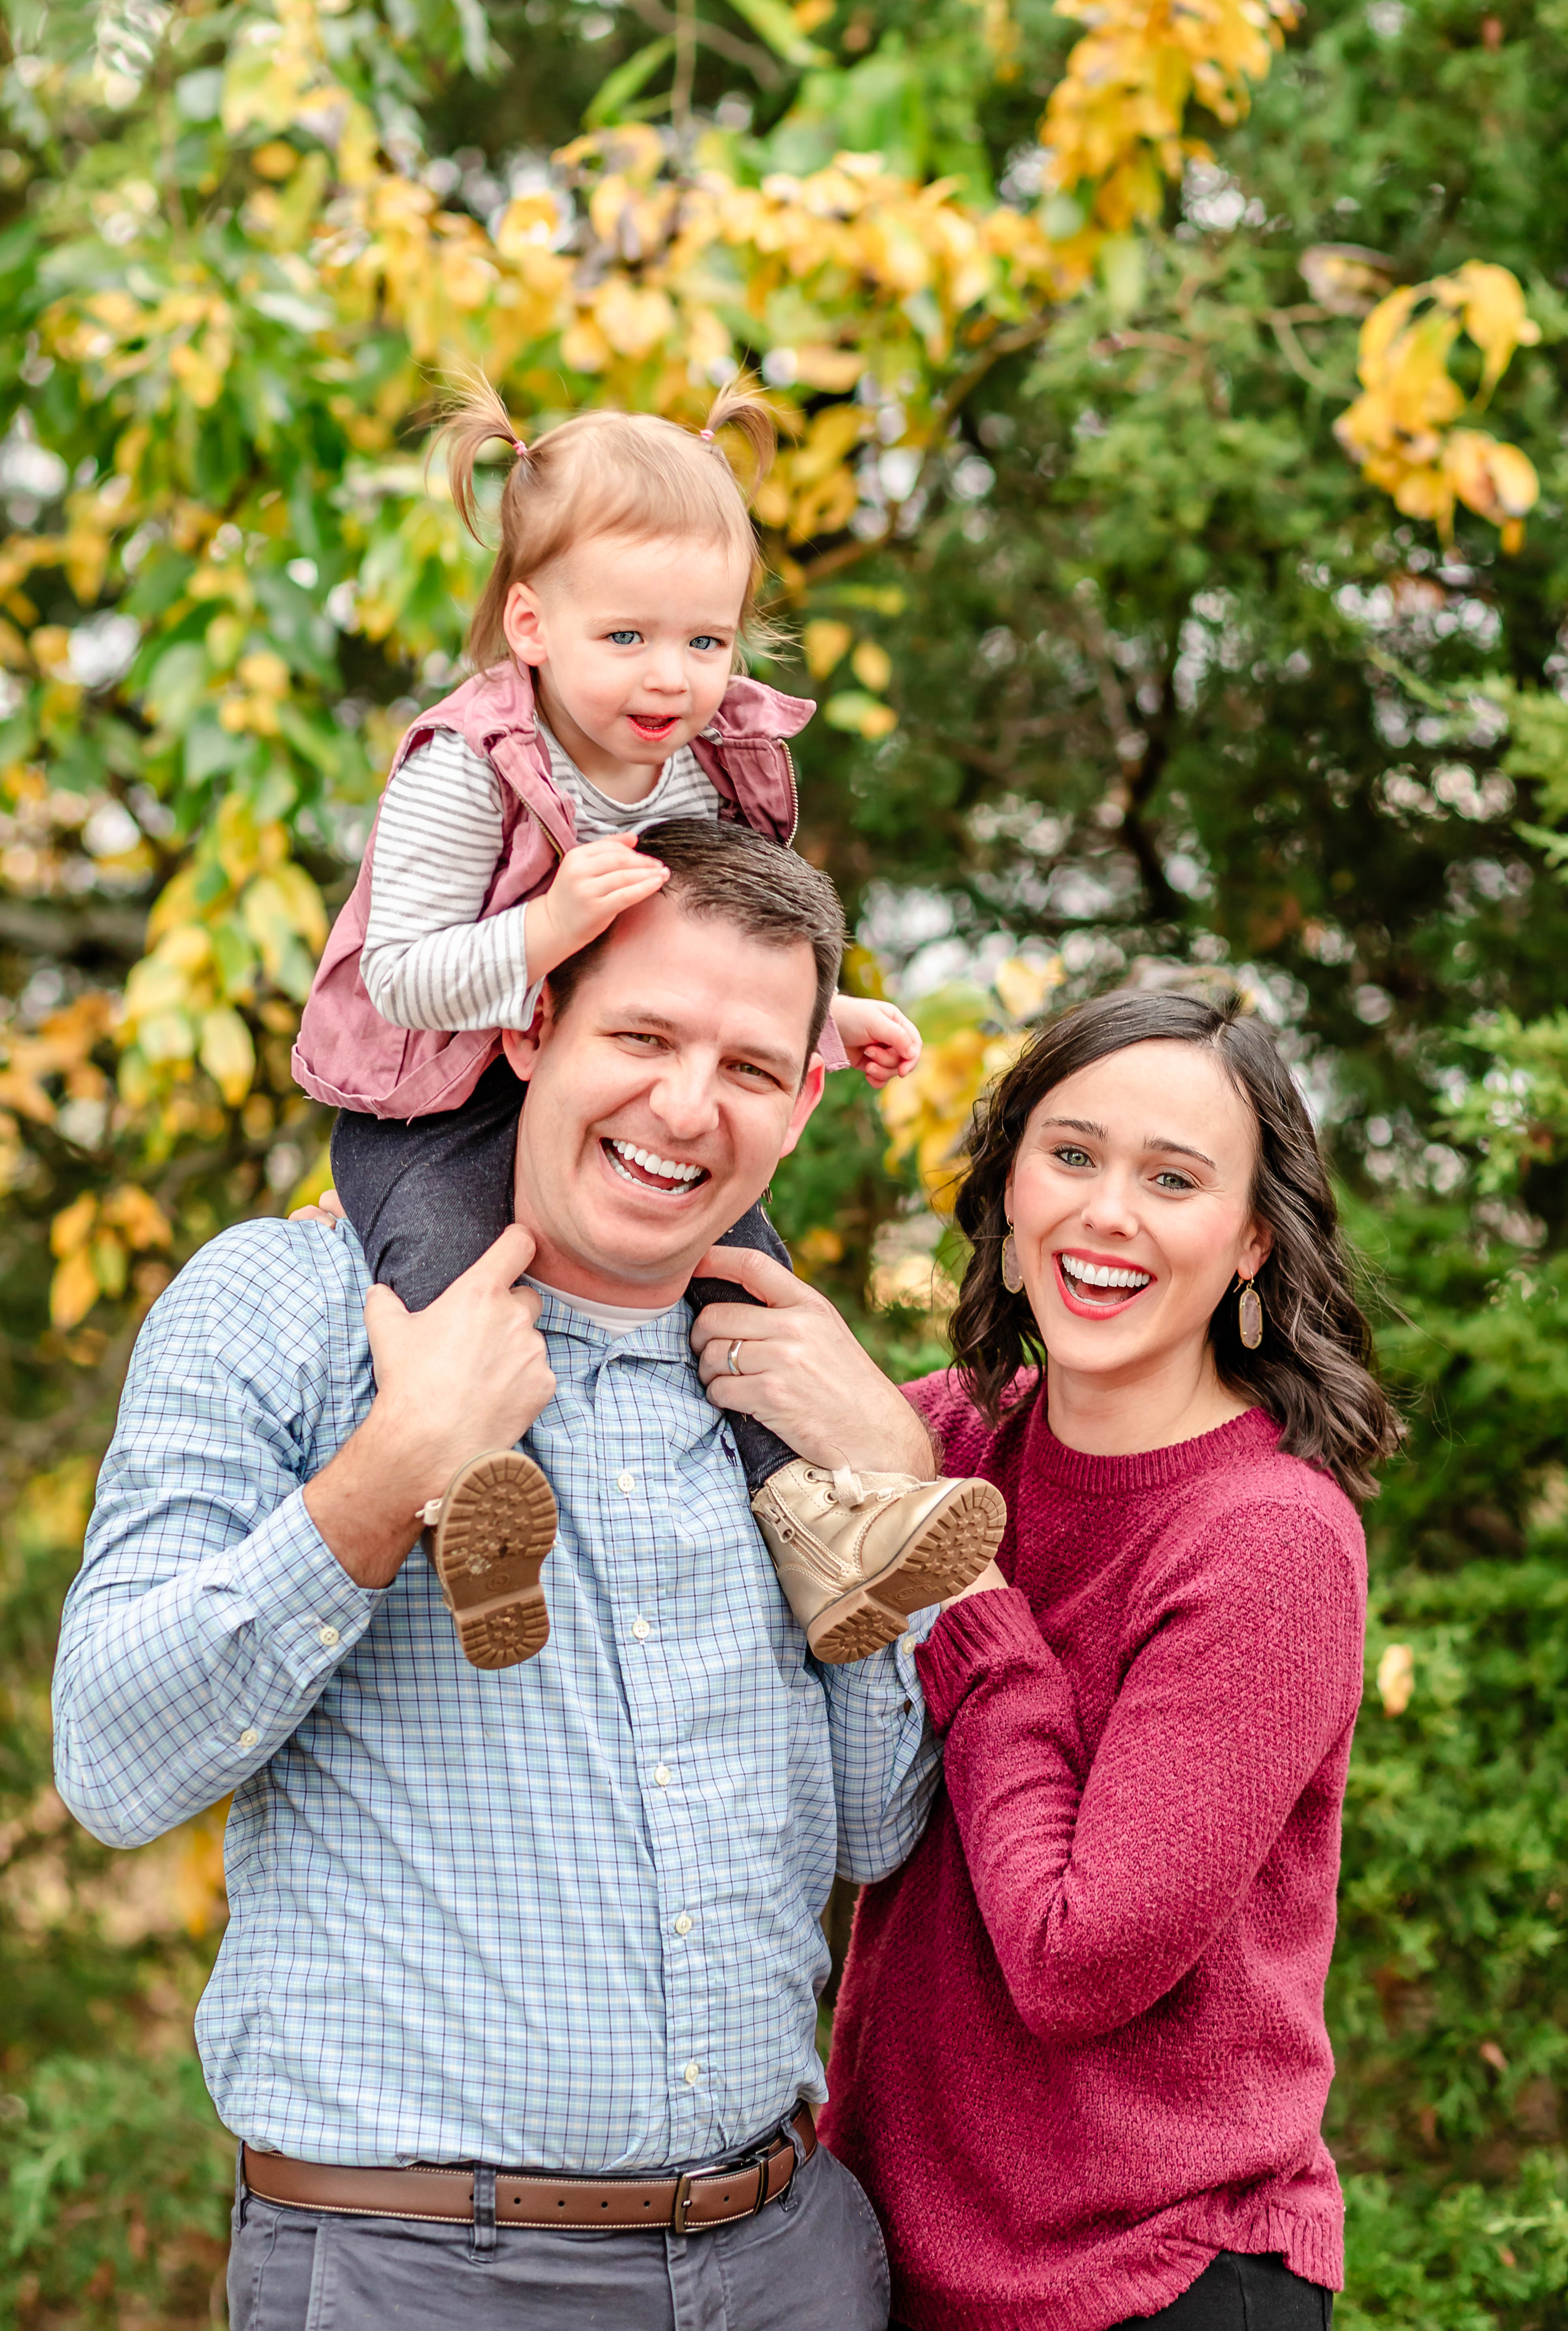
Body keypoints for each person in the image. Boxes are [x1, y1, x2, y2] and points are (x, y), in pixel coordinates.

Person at [53, 821, 959, 2331]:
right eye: (643, 1037)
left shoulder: (789, 1385)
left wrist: (884, 1485)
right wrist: (391, 1472)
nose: (686, 1106)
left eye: (747, 1067)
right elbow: (111, 1762)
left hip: (781, 2260)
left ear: (803, 1103)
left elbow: (875, 1832)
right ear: (531, 1025)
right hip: (420, 2274)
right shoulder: (287, 1307)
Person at [291, 372, 1002, 1670]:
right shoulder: (466, 767)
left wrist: (823, 1020)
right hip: (431, 1097)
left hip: (597, 1075)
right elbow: (398, 978)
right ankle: (473, 1511)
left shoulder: (695, 761)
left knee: (748, 1275)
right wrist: (545, 933)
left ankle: (820, 1521)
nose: (671, 677)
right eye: (625, 637)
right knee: (451, 1270)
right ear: (531, 622)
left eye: (706, 642)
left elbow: (697, 965)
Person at [818, 987, 1403, 2331]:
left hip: (1157, 2277)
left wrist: (966, 1592)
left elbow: (1073, 1962)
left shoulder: (1267, 1539)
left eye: (1172, 1179)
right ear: (1007, 1187)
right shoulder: (961, 1441)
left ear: (1252, 1241)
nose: (1106, 1213)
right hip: (896, 2263)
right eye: (1071, 1155)